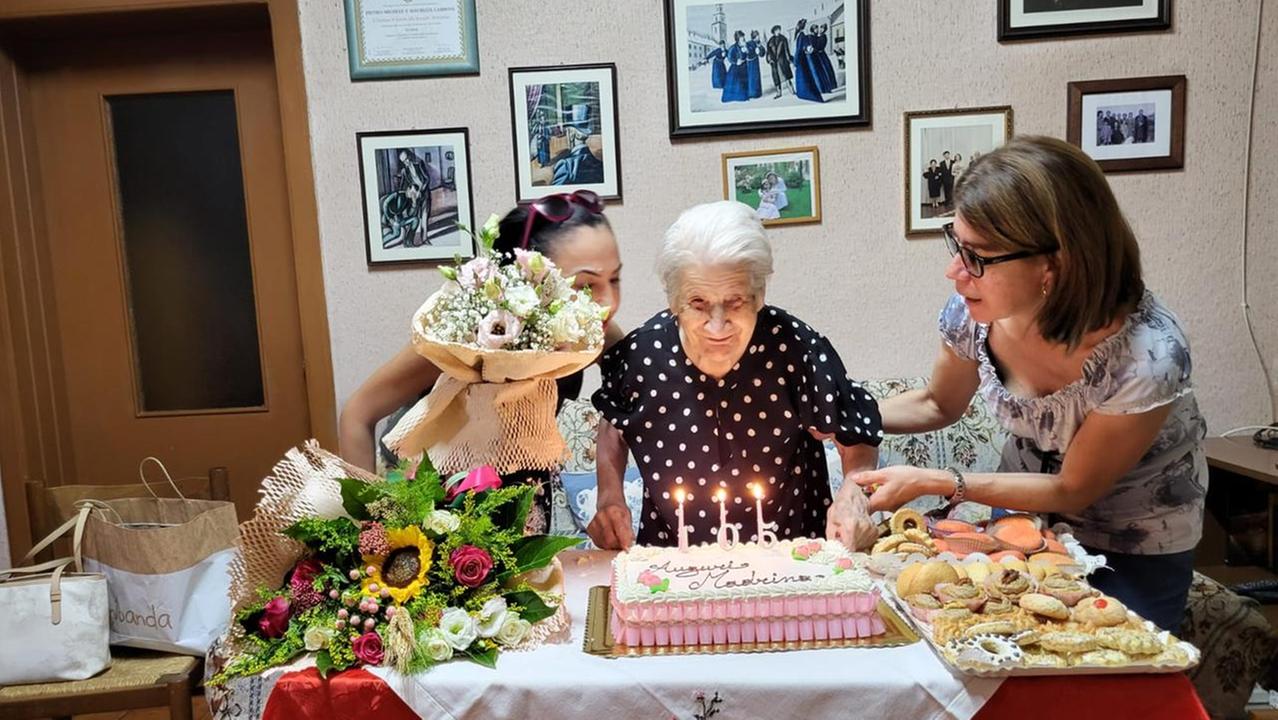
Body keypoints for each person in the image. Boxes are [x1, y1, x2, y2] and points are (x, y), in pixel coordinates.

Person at [853, 136, 1206, 633]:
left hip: (1135, 538)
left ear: (1053, 264)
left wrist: (939, 481)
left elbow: (1073, 487)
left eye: (976, 256)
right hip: (1022, 508)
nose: (954, 271)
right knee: (1004, 645)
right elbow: (938, 402)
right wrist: (844, 408)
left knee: (1113, 676)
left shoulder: (1147, 355)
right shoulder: (974, 313)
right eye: (956, 244)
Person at [588, 200, 882, 552]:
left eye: (735, 301)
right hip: (672, 570)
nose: (717, 324)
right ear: (673, 300)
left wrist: (853, 493)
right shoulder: (641, 357)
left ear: (759, 295)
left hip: (793, 561)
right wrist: (609, 496)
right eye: (697, 302)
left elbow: (855, 434)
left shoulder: (794, 349)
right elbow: (615, 426)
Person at [340, 191, 625, 528]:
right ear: (526, 279)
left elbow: (626, 394)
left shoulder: (595, 331)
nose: (606, 302)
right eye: (584, 285)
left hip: (525, 486)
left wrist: (610, 496)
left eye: (615, 279)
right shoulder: (466, 337)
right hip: (432, 489)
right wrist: (368, 530)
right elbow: (357, 414)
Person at [551, 105, 604, 186]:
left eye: (567, 131)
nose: (565, 135)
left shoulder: (566, 166)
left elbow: (555, 196)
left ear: (572, 134)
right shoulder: (599, 164)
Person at [791, 19, 825, 103]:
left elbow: (800, 49)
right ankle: (805, 94)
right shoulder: (802, 35)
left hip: (800, 59)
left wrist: (795, 60)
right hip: (801, 59)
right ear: (803, 26)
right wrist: (796, 60)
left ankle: (804, 94)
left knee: (804, 77)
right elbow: (799, 49)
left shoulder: (798, 35)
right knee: (804, 77)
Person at [765, 24, 795, 99]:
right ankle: (779, 93)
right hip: (774, 62)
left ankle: (792, 91)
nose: (778, 31)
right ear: (774, 31)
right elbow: (768, 52)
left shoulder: (783, 39)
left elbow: (786, 50)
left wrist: (789, 59)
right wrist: (769, 59)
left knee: (787, 76)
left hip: (782, 60)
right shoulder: (770, 41)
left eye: (779, 29)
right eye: (777, 30)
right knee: (776, 78)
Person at [721, 31, 750, 103]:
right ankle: (733, 98)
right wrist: (736, 61)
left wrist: (747, 51)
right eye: (742, 38)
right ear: (738, 39)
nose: (743, 39)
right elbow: (729, 57)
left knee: (744, 82)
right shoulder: (733, 47)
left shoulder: (745, 46)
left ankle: (744, 97)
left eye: (744, 37)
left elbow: (747, 56)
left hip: (744, 67)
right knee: (735, 83)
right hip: (735, 69)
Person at [812, 24, 838, 93]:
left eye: (822, 29)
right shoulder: (817, 36)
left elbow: (820, 46)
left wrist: (814, 49)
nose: (820, 30)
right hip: (818, 55)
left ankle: (829, 87)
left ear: (824, 30)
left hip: (822, 55)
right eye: (819, 28)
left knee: (826, 70)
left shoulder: (823, 36)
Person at [745, 30, 764, 100]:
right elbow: (746, 52)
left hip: (755, 63)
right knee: (750, 78)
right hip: (749, 64)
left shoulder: (758, 43)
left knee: (756, 77)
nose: (759, 37)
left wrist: (760, 50)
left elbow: (762, 54)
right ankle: (751, 93)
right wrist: (751, 51)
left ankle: (757, 93)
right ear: (755, 37)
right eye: (758, 36)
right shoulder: (748, 43)